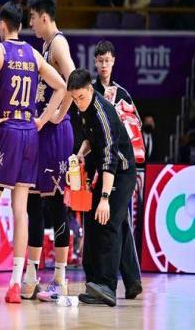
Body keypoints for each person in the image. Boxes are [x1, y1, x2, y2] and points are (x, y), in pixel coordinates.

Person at [0, 2, 66, 303]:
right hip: (30, 132)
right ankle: (16, 284)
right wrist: (44, 119)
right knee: (21, 210)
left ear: (3, 25)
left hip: (8, 129)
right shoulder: (33, 54)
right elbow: (62, 85)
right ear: (21, 26)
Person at [22, 0, 76, 302]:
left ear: (44, 17)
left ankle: (60, 278)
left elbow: (73, 79)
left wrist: (58, 113)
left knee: (56, 205)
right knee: (33, 203)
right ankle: (31, 276)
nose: (30, 23)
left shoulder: (57, 43)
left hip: (55, 133)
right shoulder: (45, 45)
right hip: (42, 132)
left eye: (32, 17)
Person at [68, 69, 137, 307]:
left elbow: (110, 160)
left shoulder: (103, 114)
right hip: (106, 172)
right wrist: (80, 153)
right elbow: (90, 138)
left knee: (108, 223)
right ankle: (96, 283)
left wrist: (105, 198)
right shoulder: (83, 108)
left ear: (90, 90)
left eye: (81, 97)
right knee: (93, 222)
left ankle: (107, 286)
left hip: (121, 173)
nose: (78, 103)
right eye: (74, 99)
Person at [91, 40, 143, 300]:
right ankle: (128, 281)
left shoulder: (122, 94)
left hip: (120, 167)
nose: (104, 65)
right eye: (100, 61)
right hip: (98, 166)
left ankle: (117, 282)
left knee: (116, 222)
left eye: (107, 61)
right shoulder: (90, 91)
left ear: (113, 62)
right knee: (114, 223)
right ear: (95, 62)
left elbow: (136, 128)